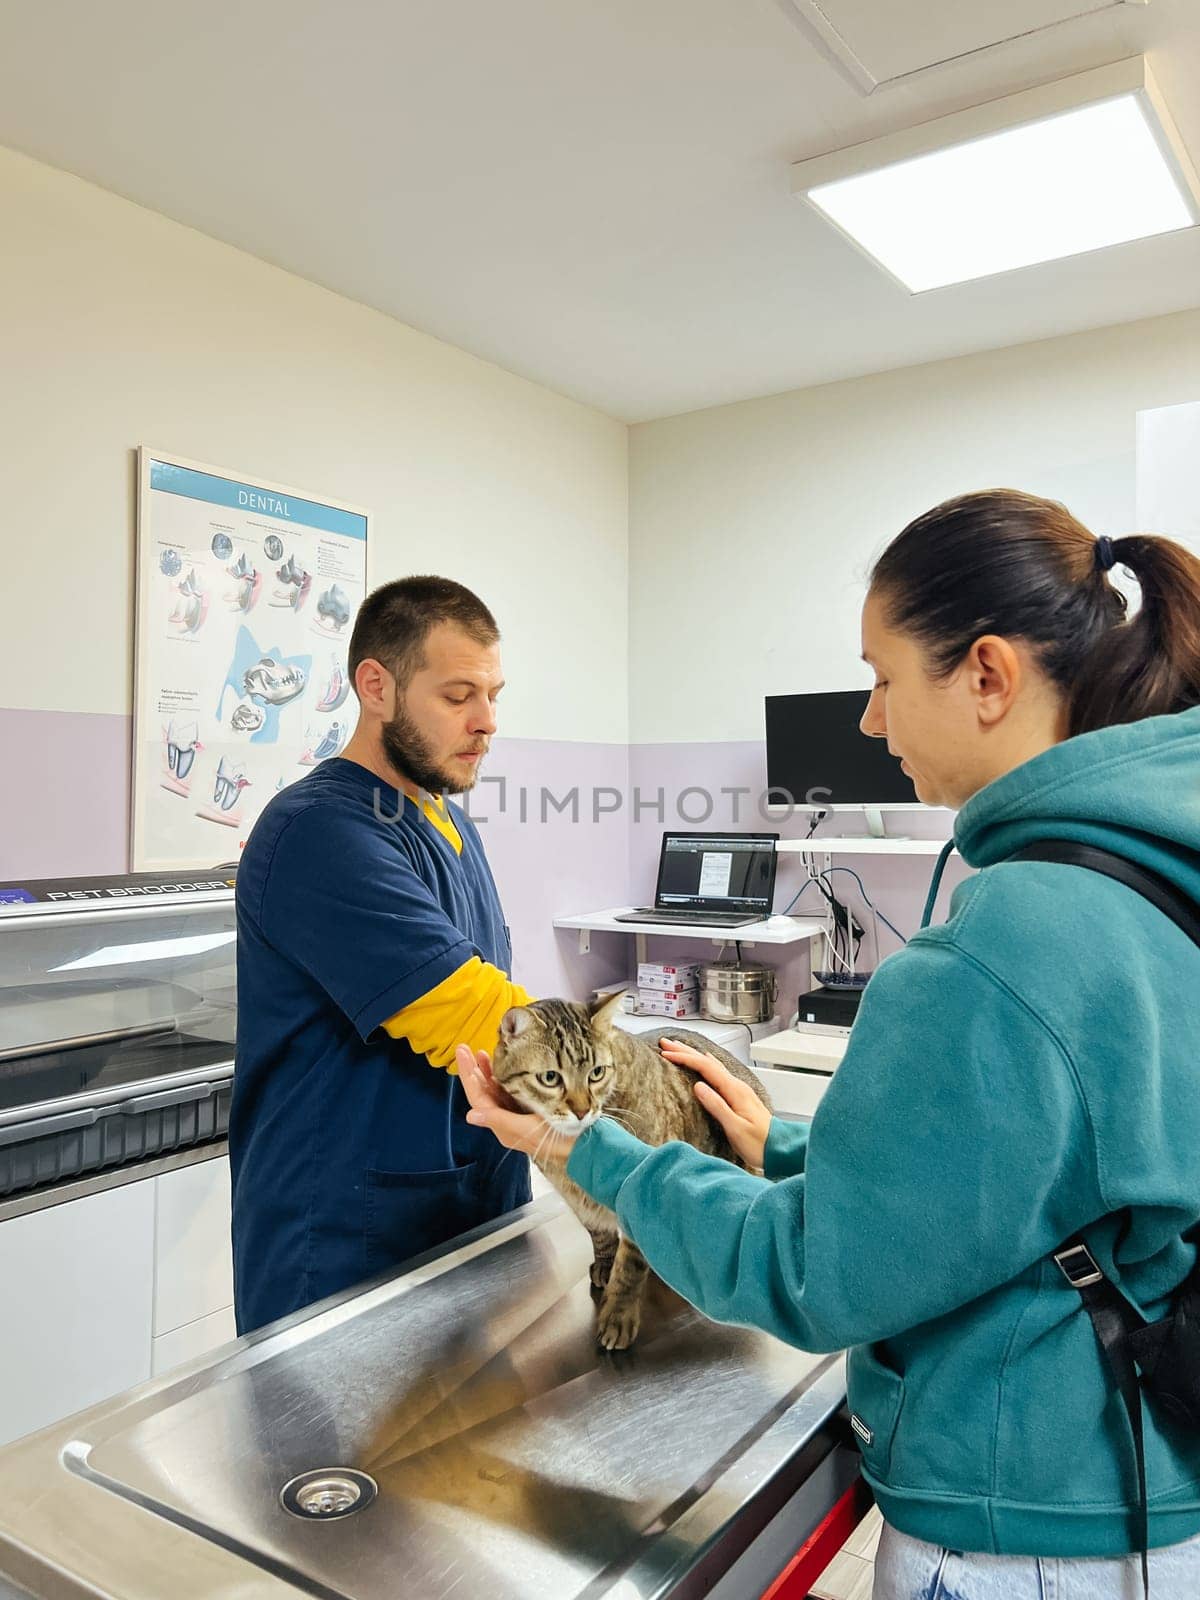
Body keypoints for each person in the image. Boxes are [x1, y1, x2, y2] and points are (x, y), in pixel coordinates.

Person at [459, 490, 1200, 1598]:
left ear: (988, 676)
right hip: (1146, 1473)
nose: (869, 721)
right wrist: (796, 1147)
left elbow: (812, 1272)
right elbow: (1047, 1179)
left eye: (883, 677)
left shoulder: (1004, 946)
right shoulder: (1156, 880)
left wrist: (592, 1155)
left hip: (1027, 1527)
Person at [230, 575, 531, 1335]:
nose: (486, 721)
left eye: (494, 694)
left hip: (466, 1204)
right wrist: (636, 1089)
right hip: (347, 1235)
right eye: (458, 695)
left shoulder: (445, 823)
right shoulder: (320, 832)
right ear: (377, 687)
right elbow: (473, 1015)